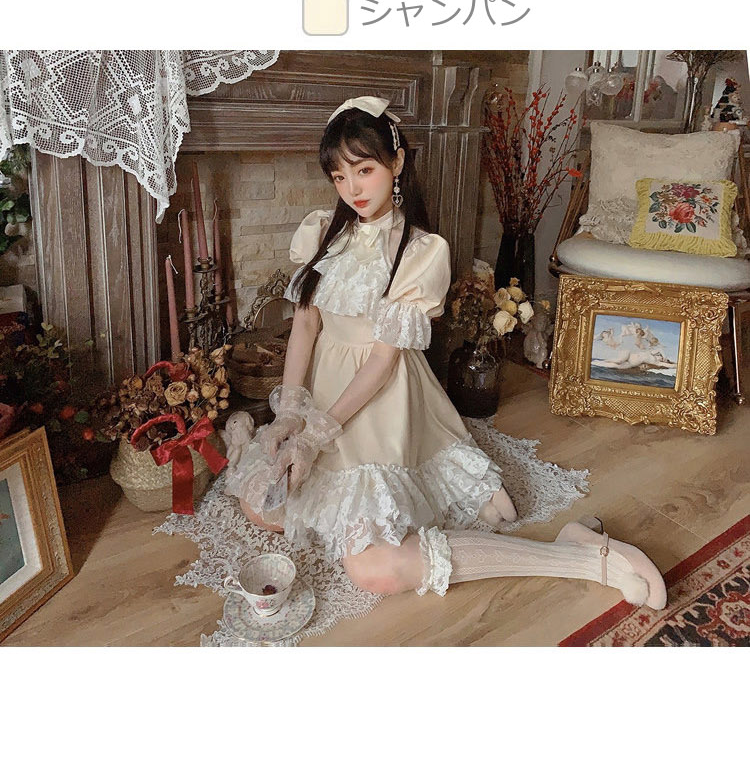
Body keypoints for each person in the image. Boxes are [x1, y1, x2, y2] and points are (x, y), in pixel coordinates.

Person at [189, 99, 666, 632]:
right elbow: (304, 327)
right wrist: (291, 413)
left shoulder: (419, 251)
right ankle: (296, 470)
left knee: (374, 568)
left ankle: (578, 556)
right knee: (261, 503)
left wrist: (317, 433)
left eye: (364, 169)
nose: (352, 188)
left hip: (379, 396)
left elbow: (382, 360)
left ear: (396, 163)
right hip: (324, 387)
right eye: (339, 175)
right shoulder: (322, 233)